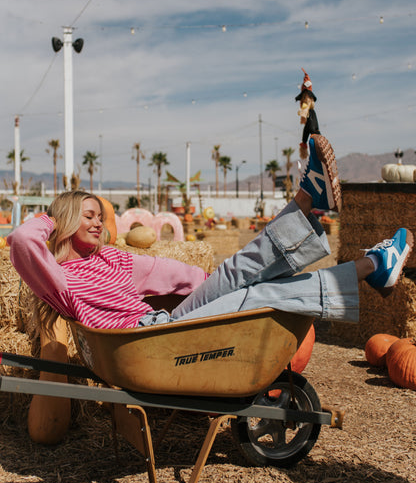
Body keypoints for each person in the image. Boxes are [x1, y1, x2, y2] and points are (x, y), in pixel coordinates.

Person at [8, 136, 413, 334]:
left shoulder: (109, 258)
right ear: (63, 223)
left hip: (167, 322)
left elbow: (166, 272)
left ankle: (309, 202)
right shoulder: (60, 281)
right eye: (87, 217)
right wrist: (52, 217)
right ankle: (372, 263)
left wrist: (216, 285)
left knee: (239, 276)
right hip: (146, 339)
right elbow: (23, 242)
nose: (98, 223)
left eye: (100, 216)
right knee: (255, 298)